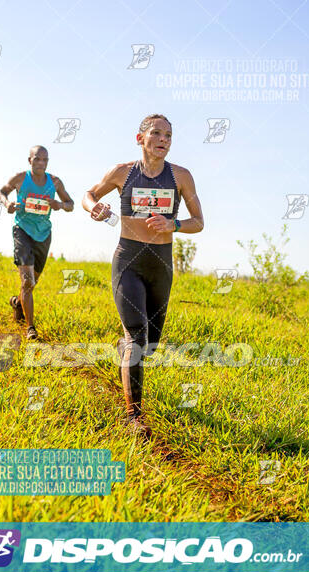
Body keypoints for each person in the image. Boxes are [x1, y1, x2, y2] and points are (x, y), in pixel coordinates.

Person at [82, 114, 204, 436]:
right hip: (128, 261)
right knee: (137, 337)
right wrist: (94, 207)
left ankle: (125, 350)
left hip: (161, 265)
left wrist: (173, 224)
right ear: (141, 139)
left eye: (168, 135)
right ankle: (134, 417)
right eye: (156, 133)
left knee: (149, 346)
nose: (163, 139)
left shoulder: (181, 177)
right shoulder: (122, 172)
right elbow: (89, 194)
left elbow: (199, 221)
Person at [0, 145, 74, 339]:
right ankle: (30, 327)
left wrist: (60, 205)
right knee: (27, 280)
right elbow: (2, 192)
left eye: (45, 160)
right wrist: (8, 204)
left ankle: (17, 302)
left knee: (32, 283)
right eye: (37, 159)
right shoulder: (20, 178)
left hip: (43, 234)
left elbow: (70, 204)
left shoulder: (55, 182)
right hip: (22, 230)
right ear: (29, 160)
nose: (41, 163)